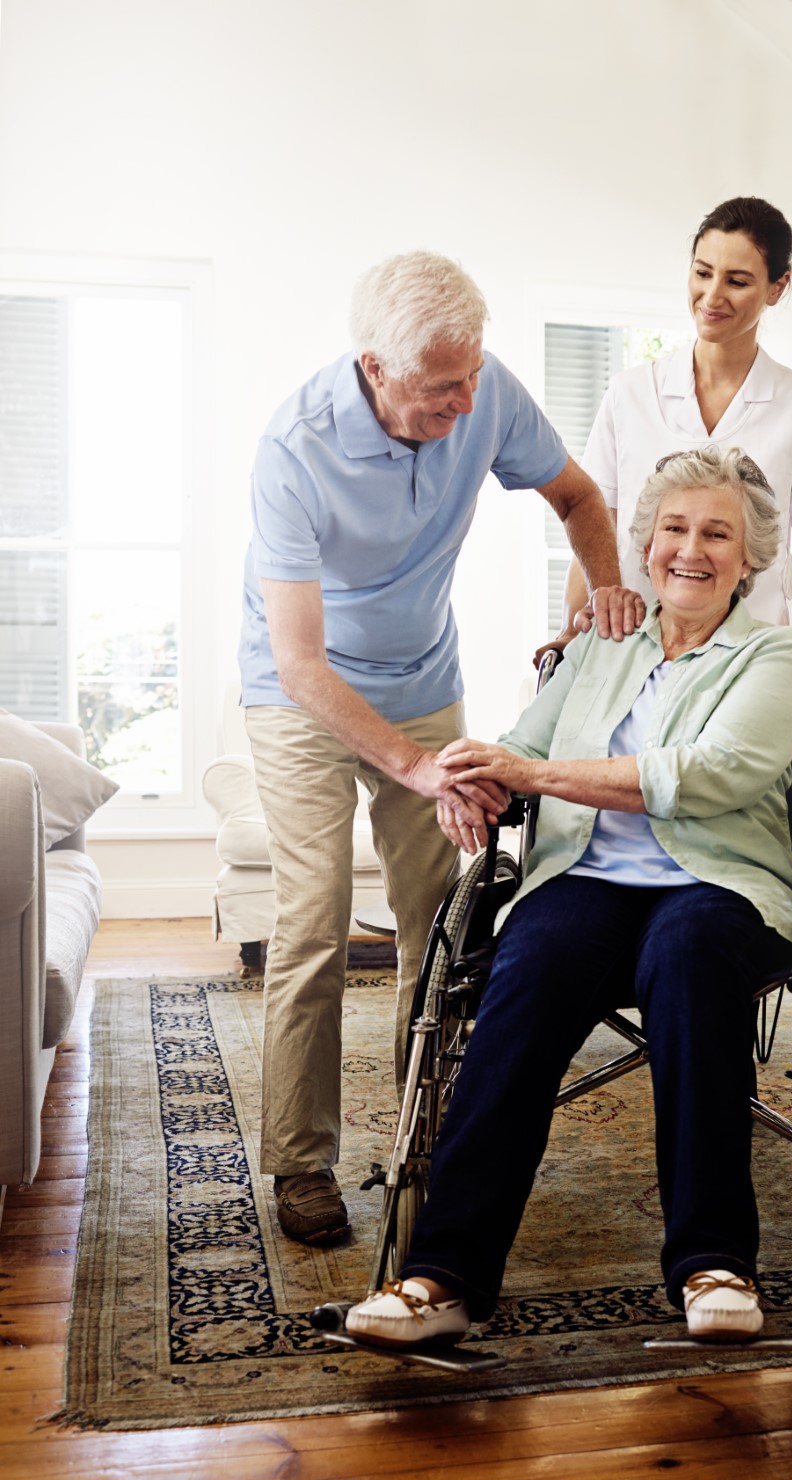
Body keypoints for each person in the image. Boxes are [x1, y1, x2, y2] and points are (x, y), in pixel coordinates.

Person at [344, 445, 792, 1348]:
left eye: (718, 533)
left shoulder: (773, 654)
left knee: (686, 951)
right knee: (530, 964)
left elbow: (710, 776)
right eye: (674, 528)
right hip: (587, 878)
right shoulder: (600, 645)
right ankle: (444, 1274)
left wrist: (533, 769)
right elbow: (523, 747)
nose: (692, 549)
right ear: (645, 545)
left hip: (720, 885)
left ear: (749, 558)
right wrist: (481, 784)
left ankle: (715, 1262)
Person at [240, 250, 643, 1245]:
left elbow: (582, 498)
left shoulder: (484, 386)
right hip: (302, 697)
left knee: (442, 912)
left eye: (471, 378)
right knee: (314, 920)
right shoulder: (294, 448)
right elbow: (299, 667)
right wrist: (420, 768)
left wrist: (604, 598)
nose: (467, 404)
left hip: (423, 683)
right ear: (373, 366)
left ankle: (439, 1137)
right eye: (439, 389)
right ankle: (301, 1161)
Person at [551, 196, 792, 683]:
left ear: (778, 288)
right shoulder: (630, 394)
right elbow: (594, 525)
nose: (712, 297)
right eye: (702, 273)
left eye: (737, 281)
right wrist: (569, 629)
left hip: (749, 663)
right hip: (630, 652)